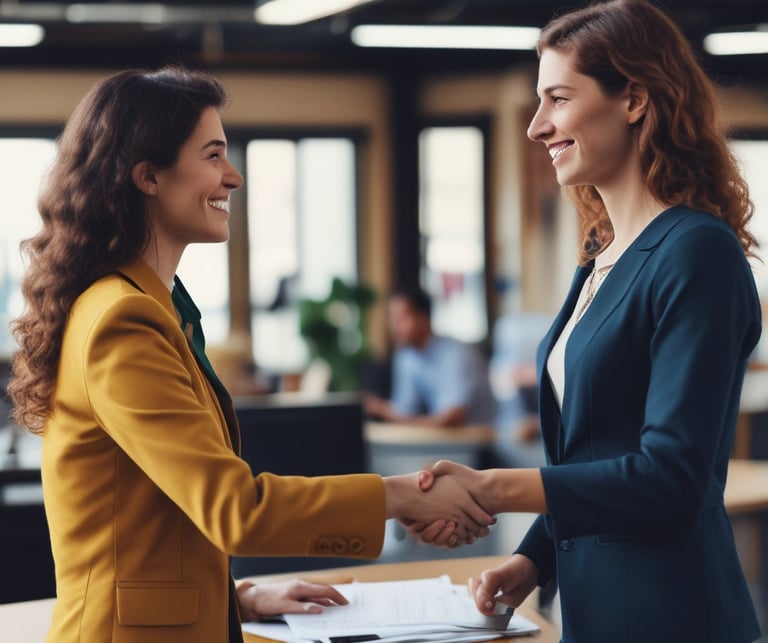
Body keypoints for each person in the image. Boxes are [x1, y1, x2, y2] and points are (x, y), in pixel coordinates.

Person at [6, 67, 493, 643]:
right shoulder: (123, 320)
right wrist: (400, 494)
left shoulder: (146, 307)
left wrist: (242, 596)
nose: (233, 177)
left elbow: (149, 521)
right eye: (213, 155)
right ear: (148, 176)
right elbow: (233, 508)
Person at [414, 1, 763, 641]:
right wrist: (533, 558)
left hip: (673, 614)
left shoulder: (696, 251)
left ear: (633, 99)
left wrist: (491, 488)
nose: (536, 126)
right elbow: (597, 452)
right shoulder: (600, 254)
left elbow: (672, 478)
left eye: (558, 98)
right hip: (594, 609)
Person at [363, 286, 498, 427]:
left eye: (401, 319)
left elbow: (450, 421)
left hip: (483, 442)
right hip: (444, 444)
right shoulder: (406, 357)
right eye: (392, 319)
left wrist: (384, 411)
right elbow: (404, 412)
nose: (394, 327)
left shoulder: (455, 355)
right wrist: (376, 407)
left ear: (422, 319)